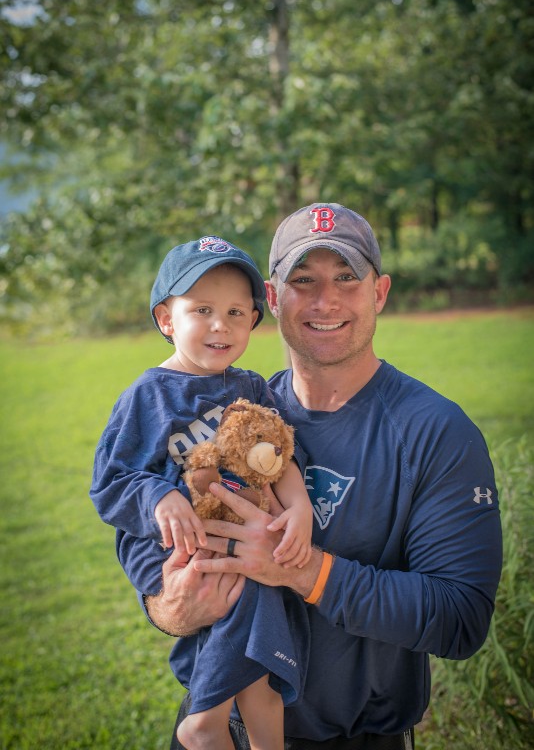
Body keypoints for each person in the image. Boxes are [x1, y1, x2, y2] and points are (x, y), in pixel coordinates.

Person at [117, 203, 503, 750]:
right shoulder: (231, 414)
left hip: (358, 737)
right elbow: (142, 519)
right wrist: (168, 602)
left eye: (347, 277)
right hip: (220, 726)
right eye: (303, 280)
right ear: (272, 299)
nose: (326, 300)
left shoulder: (435, 431)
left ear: (379, 292)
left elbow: (460, 618)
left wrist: (305, 571)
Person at [90, 236, 313, 750]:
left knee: (261, 662)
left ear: (253, 321)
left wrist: (299, 506)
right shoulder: (148, 395)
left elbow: (277, 456)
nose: (221, 325)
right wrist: (158, 496)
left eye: (236, 312)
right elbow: (110, 482)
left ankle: (235, 730)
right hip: (171, 543)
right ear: (166, 319)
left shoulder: (251, 388)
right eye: (202, 310)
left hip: (236, 535)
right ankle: (206, 720)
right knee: (248, 605)